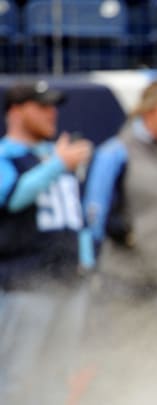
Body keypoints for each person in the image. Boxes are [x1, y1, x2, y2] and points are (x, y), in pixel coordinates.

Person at [81, 80, 157, 405]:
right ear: (148, 111)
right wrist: (128, 238)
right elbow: (95, 213)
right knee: (117, 361)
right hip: (125, 282)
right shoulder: (116, 151)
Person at [0, 81, 93, 405]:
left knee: (57, 380)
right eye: (41, 106)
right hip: (25, 286)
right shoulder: (6, 156)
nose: (51, 113)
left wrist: (86, 268)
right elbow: (9, 198)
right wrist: (56, 166)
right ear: (16, 111)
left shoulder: (55, 157)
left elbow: (75, 222)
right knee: (16, 380)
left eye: (53, 106)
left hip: (67, 284)